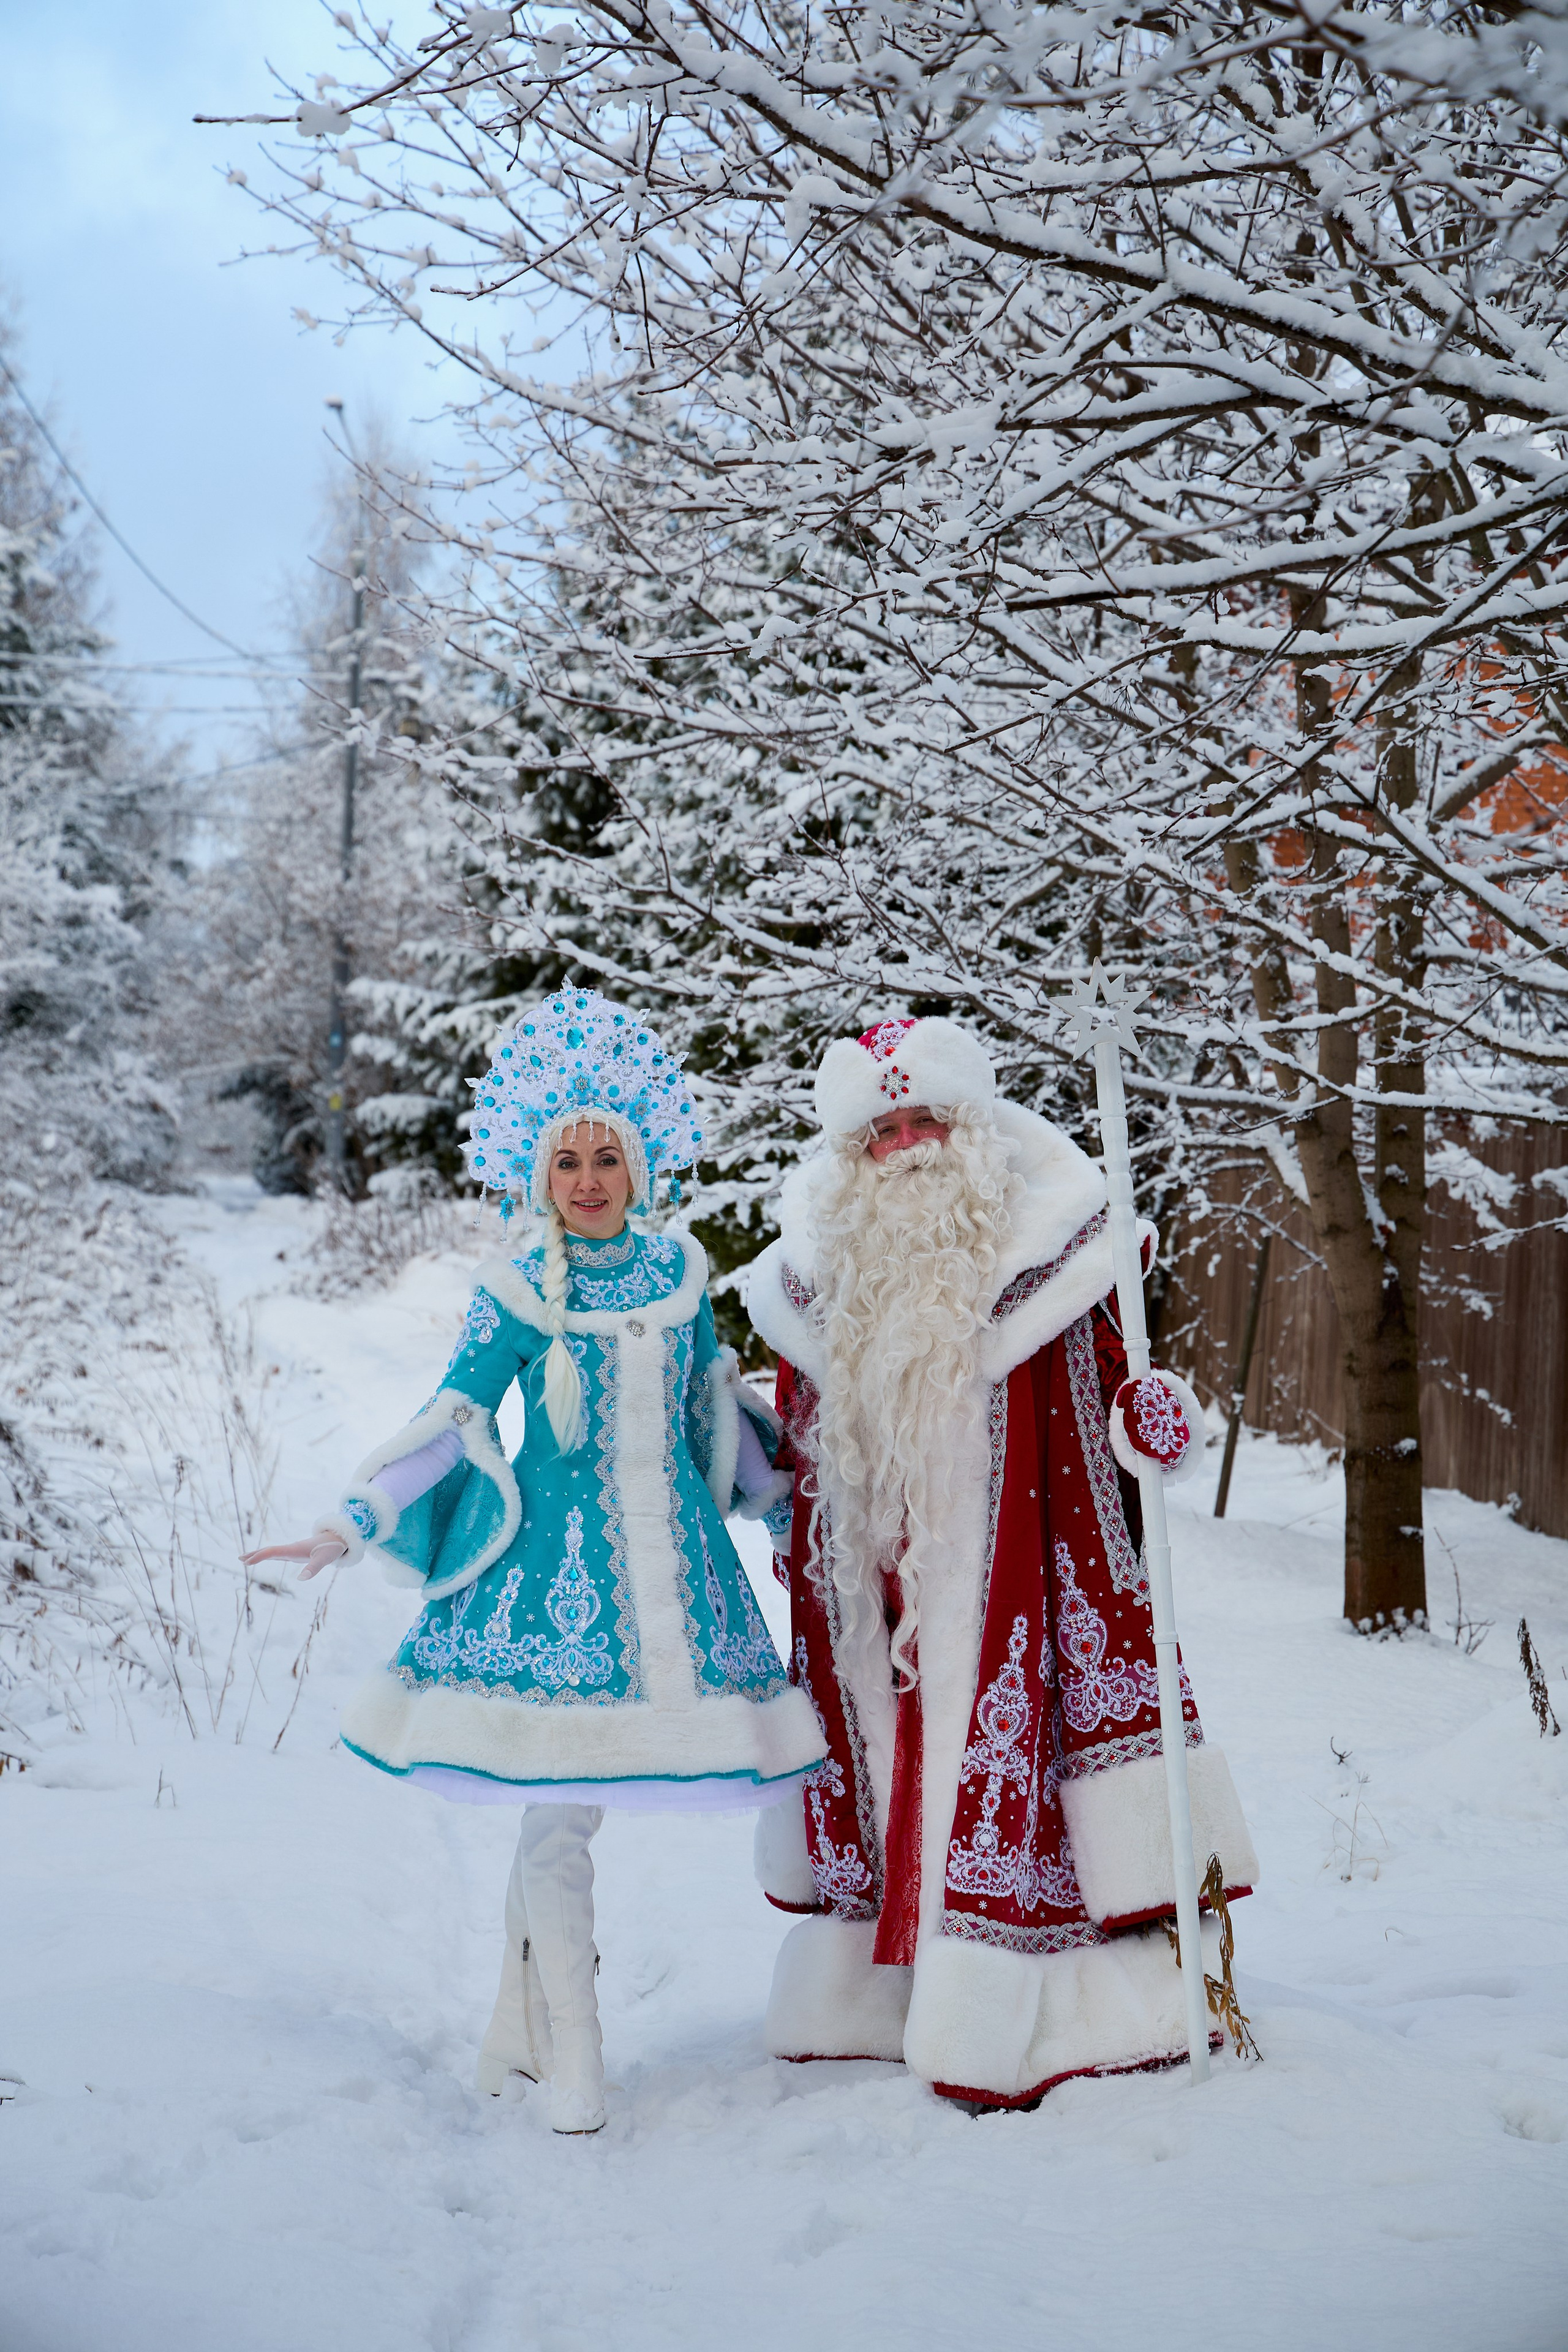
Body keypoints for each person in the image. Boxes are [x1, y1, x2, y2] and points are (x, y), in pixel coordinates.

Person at [246, 990, 823, 2135]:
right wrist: (355, 1520)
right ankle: (580, 2065)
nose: (591, 1179)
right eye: (570, 1161)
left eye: (609, 1157)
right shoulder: (515, 1291)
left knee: (560, 1817)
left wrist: (797, 1502)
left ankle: (518, 2032)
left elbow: (720, 1416)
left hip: (679, 1589)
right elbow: (453, 1414)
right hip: (549, 1597)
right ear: (539, 1174)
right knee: (557, 1819)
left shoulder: (682, 1275)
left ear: (639, 1166)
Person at [744, 1015, 1259, 2111]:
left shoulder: (1059, 1262)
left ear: (971, 1130)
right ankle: (888, 1991)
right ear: (850, 1155)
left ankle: (1021, 2002)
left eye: (927, 1117)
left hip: (1013, 1580)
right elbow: (790, 1443)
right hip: (872, 1602)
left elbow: (1125, 1402)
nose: (907, 1141)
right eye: (882, 1128)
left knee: (994, 1758)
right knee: (889, 1767)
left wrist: (1157, 1424)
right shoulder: (819, 1287)